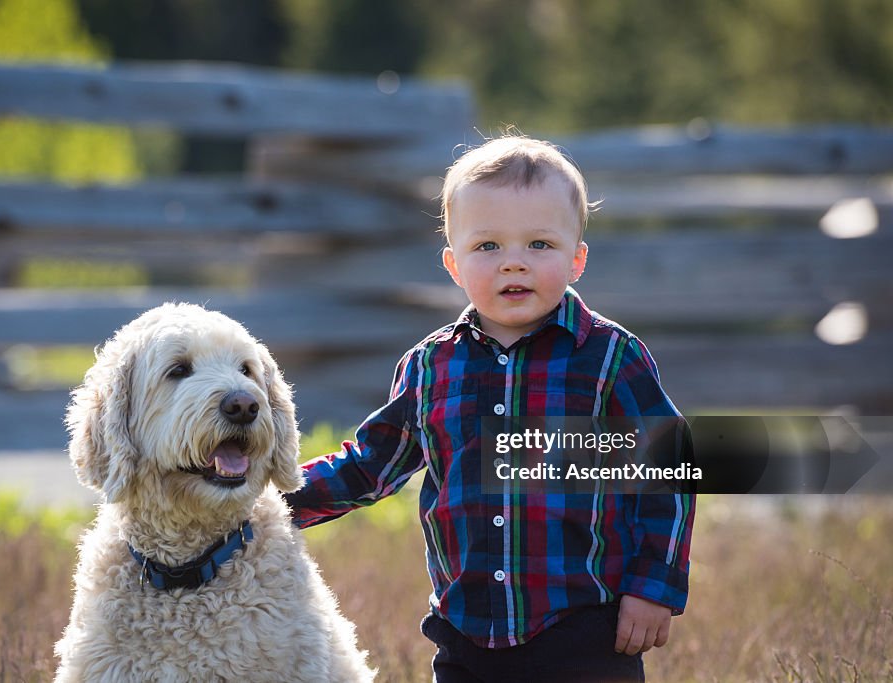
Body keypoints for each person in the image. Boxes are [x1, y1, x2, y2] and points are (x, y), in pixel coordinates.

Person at [283, 134, 695, 683]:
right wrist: (263, 502)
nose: (513, 264)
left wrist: (653, 587)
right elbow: (368, 465)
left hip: (586, 631)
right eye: (488, 247)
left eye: (540, 245)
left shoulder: (609, 358)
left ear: (577, 259)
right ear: (454, 264)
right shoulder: (431, 367)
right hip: (466, 635)